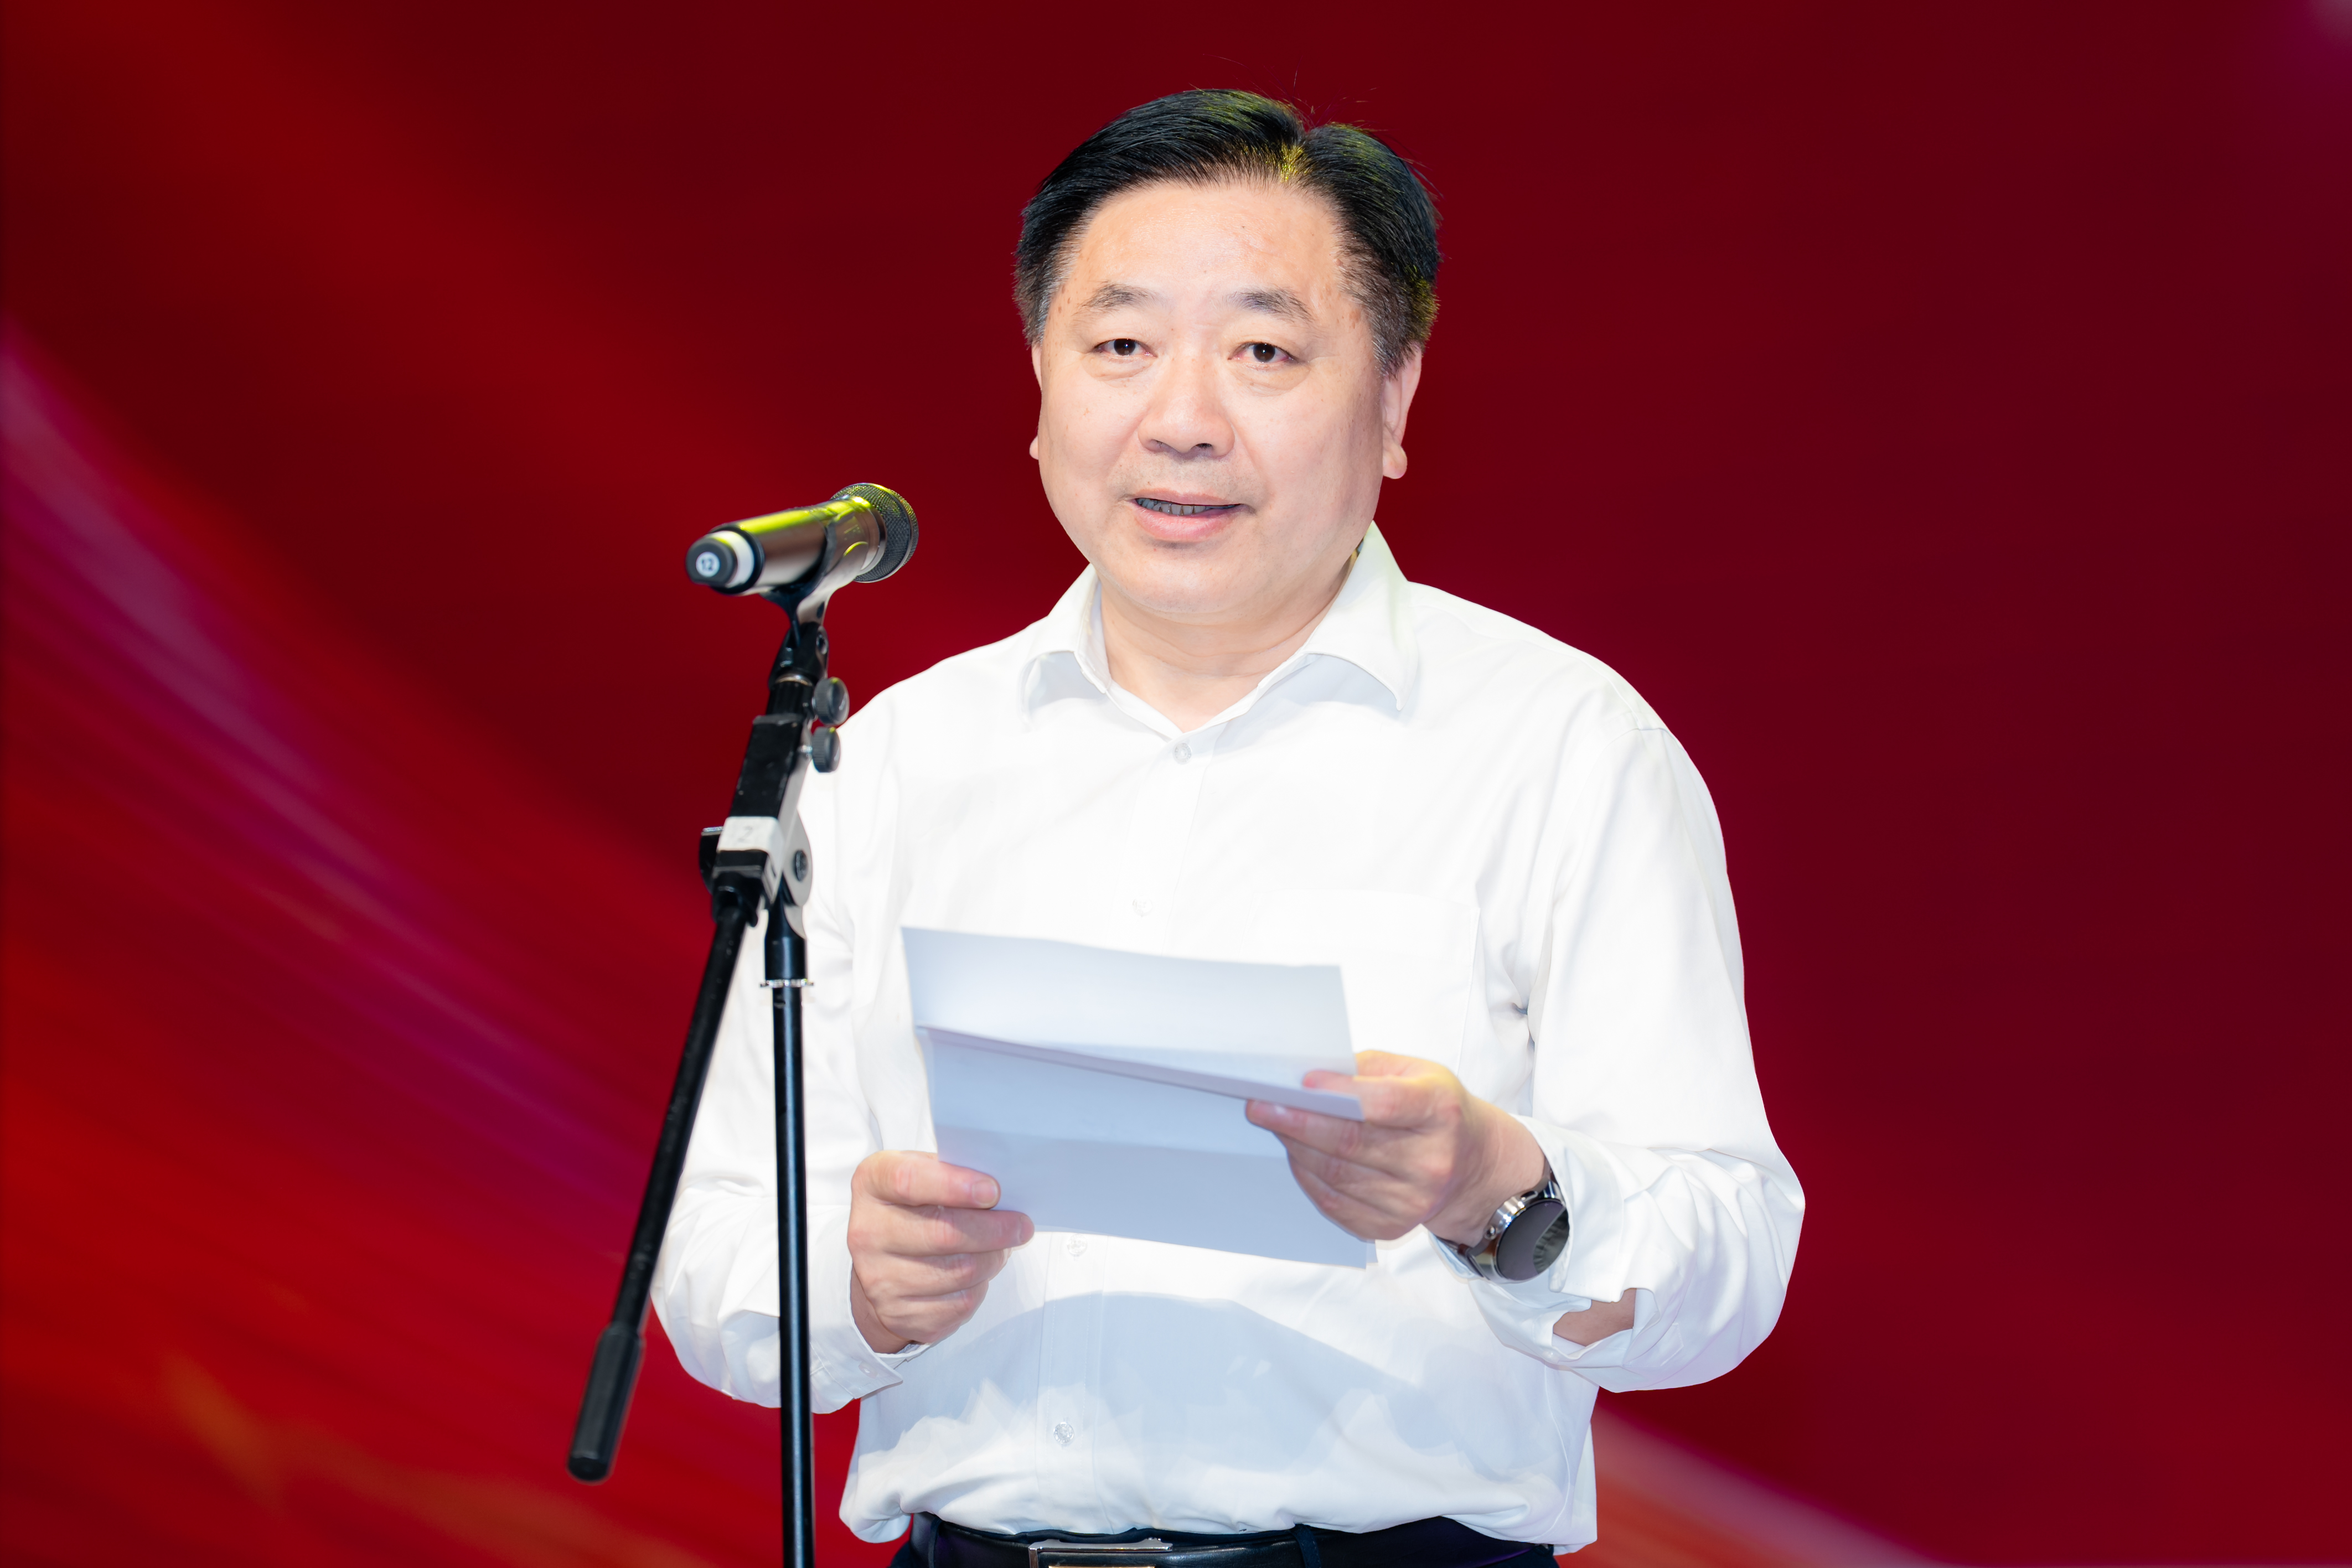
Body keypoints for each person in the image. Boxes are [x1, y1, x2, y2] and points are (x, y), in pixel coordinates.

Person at [654, 89, 1802, 1565]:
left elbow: (1726, 1267)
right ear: (1040, 383)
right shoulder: (889, 763)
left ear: (1394, 399)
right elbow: (715, 1251)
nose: (1181, 420)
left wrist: (1489, 1186)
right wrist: (853, 1284)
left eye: (1263, 353)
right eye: (1120, 347)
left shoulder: (1559, 747)